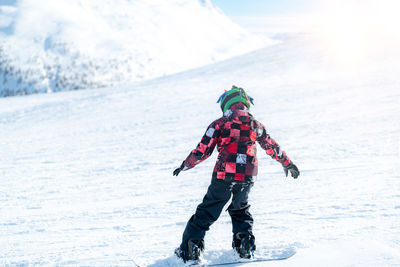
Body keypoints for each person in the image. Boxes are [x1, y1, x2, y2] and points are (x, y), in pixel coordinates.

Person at [173, 86, 299, 263]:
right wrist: (287, 163)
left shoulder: (220, 123)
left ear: (226, 105)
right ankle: (244, 246)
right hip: (248, 175)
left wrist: (185, 165)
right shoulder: (256, 124)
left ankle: (190, 249)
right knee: (240, 210)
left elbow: (203, 150)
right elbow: (271, 146)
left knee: (208, 211)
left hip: (225, 174)